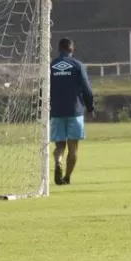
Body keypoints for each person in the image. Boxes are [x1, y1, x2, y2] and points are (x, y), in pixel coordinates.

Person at [49, 38, 94, 185]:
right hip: (75, 111)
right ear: (72, 50)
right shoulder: (78, 65)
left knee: (59, 146)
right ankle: (67, 177)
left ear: (59, 50)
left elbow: (44, 88)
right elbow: (87, 89)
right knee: (73, 147)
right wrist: (90, 107)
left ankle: (58, 161)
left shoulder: (51, 66)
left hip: (56, 111)